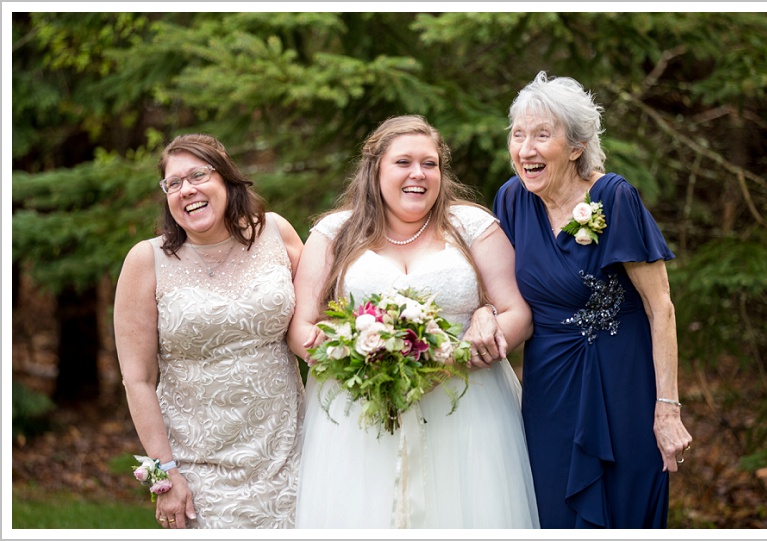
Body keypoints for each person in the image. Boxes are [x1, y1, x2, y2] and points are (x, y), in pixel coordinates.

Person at [287, 115, 540, 528]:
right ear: (375, 169)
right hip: (361, 412)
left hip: (465, 404)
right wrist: (345, 354)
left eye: (430, 163)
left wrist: (473, 338)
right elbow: (302, 326)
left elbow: (518, 314)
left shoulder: (472, 226)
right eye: (403, 162)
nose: (418, 174)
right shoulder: (333, 233)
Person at [492, 71, 693, 528]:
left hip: (623, 379)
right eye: (518, 135)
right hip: (550, 384)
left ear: (576, 146)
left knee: (626, 504)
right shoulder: (511, 201)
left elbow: (660, 306)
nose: (526, 149)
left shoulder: (613, 197)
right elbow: (495, 292)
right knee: (552, 507)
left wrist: (667, 409)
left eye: (543, 135)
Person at [113, 133, 305, 529]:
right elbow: (138, 379)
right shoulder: (145, 261)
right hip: (198, 471)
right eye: (174, 183)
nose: (187, 190)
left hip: (293, 456)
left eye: (198, 175)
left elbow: (316, 321)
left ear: (226, 180)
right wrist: (164, 474)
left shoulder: (276, 233)